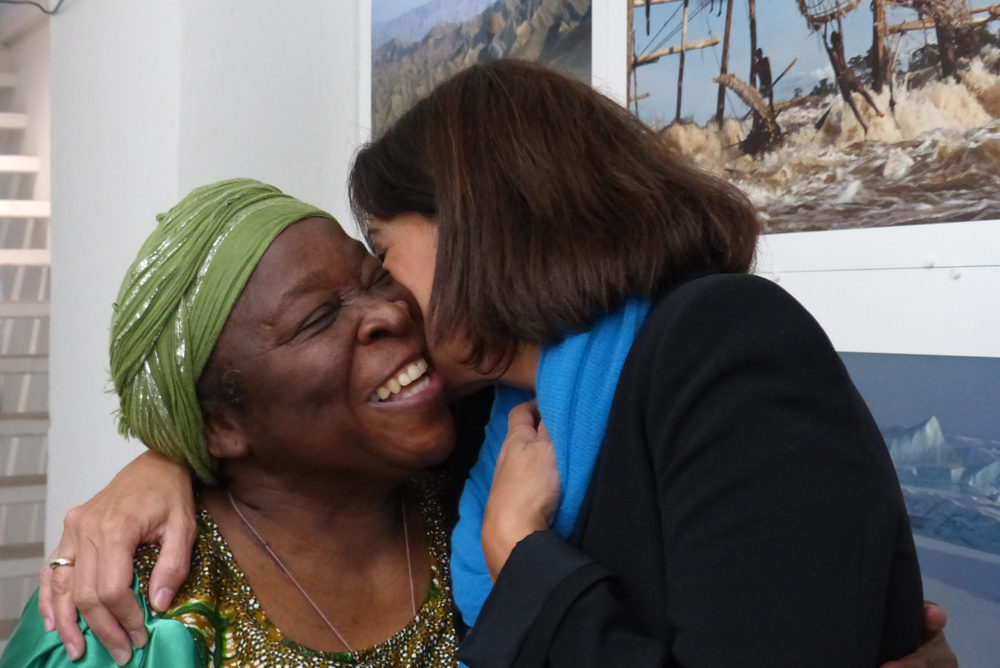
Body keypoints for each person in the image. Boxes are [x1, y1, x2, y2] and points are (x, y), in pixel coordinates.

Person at [41, 64, 956, 667]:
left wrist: (524, 562)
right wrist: (166, 459)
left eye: (380, 258)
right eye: (333, 307)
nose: (386, 305)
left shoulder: (719, 347)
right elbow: (285, 438)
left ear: (485, 226)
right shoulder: (493, 434)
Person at [1, 179, 460, 666]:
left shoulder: (496, 480)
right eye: (317, 317)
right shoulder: (125, 622)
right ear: (221, 426)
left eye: (375, 277)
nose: (388, 312)